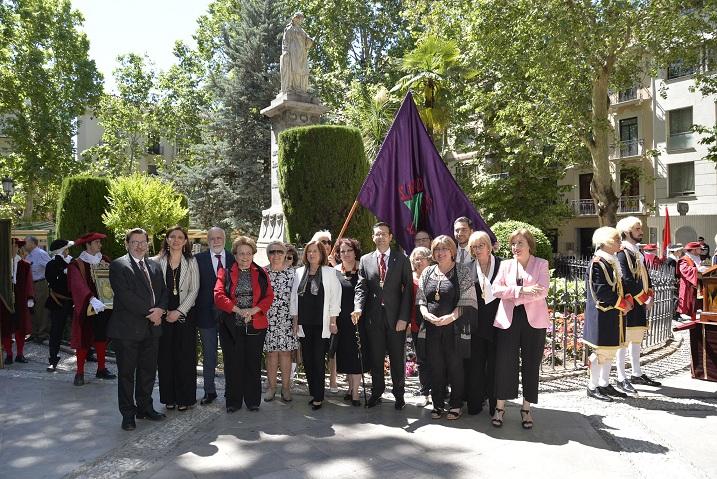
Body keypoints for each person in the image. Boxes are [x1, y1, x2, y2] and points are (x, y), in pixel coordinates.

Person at [108, 228, 168, 431]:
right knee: (126, 375)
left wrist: (160, 309)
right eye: (135, 242)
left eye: (143, 242)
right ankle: (128, 414)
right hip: (127, 331)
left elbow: (163, 292)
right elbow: (125, 296)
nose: (140, 245)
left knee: (148, 372)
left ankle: (145, 408)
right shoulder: (119, 265)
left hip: (152, 330)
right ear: (127, 244)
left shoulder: (154, 265)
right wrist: (152, 313)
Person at [491, 228, 549, 430]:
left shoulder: (541, 264)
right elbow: (496, 290)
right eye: (513, 243)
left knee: (531, 365)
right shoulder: (506, 265)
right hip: (509, 320)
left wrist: (513, 297)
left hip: (534, 321)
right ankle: (500, 407)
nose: (516, 247)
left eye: (520, 243)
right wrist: (521, 290)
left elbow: (542, 291)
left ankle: (526, 409)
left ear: (529, 245)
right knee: (504, 363)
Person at [416, 235, 478, 420]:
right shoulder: (427, 272)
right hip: (432, 329)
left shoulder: (462, 272)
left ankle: (456, 405)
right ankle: (437, 404)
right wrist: (425, 314)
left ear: (452, 251)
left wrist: (450, 318)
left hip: (454, 329)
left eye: (445, 249)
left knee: (455, 367)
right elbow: (421, 298)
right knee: (436, 367)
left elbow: (469, 301)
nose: (440, 252)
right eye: (437, 249)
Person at [353, 222, 413, 410]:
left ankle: (399, 395)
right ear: (373, 237)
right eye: (377, 234)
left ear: (390, 237)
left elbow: (408, 291)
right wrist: (358, 307)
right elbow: (361, 287)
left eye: (383, 234)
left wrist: (404, 318)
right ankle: (377, 393)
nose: (380, 237)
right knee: (376, 359)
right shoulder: (365, 260)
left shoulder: (401, 259)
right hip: (374, 319)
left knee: (397, 359)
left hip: (396, 319)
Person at [214, 236, 274, 413]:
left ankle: (253, 401)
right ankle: (233, 402)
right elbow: (218, 296)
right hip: (231, 325)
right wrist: (239, 310)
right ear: (235, 254)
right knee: (233, 364)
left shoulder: (262, 273)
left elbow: (269, 297)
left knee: (252, 363)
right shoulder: (224, 273)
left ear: (253, 254)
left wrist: (254, 310)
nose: (245, 257)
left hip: (255, 324)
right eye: (241, 254)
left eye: (248, 253)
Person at [290, 240, 341, 410]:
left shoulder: (329, 273)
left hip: (322, 324)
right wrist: (295, 322)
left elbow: (335, 298)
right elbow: (294, 299)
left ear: (321, 254)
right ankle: (313, 392)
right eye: (309, 251)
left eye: (315, 251)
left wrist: (333, 321)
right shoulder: (298, 272)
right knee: (308, 360)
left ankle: (319, 396)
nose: (312, 254)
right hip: (304, 323)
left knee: (318, 359)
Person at [584, 227, 633, 402]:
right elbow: (601, 291)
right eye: (617, 240)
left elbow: (620, 284)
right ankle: (592, 386)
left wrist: (628, 298)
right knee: (600, 353)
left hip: (613, 314)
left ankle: (604, 384)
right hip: (603, 314)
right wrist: (622, 304)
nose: (620, 243)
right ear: (606, 242)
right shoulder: (598, 262)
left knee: (610, 351)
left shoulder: (611, 260)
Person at [153, 226, 200, 411]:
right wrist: (164, 312)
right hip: (163, 315)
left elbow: (194, 290)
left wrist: (179, 311)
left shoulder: (191, 261)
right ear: (166, 239)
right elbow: (154, 290)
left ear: (185, 241)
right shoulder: (157, 262)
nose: (176, 240)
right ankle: (169, 398)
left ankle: (185, 398)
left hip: (185, 316)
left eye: (180, 237)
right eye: (172, 236)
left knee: (185, 357)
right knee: (165, 358)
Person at [615, 217, 660, 391]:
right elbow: (626, 279)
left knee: (636, 339)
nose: (641, 231)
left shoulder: (636, 251)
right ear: (627, 232)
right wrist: (643, 298)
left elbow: (645, 277)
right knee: (624, 341)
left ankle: (636, 373)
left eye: (640, 228)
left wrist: (650, 295)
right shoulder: (622, 252)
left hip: (639, 301)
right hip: (629, 303)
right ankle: (621, 377)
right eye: (637, 228)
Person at [68, 232, 116, 386]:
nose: (100, 245)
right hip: (87, 307)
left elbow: (114, 280)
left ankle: (101, 368)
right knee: (83, 338)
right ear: (88, 245)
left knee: (101, 336)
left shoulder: (106, 260)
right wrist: (90, 298)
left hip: (106, 306)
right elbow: (77, 285)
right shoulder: (77, 264)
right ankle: (79, 372)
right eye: (96, 243)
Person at [194, 227, 235, 405]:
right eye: (212, 239)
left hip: (229, 315)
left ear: (224, 240)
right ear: (207, 241)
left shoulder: (234, 259)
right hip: (205, 314)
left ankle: (230, 391)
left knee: (230, 354)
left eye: (219, 238)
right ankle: (209, 391)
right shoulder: (198, 260)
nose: (216, 241)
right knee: (209, 355)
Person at [466, 230, 502, 416]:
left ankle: (496, 405)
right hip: (476, 325)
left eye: (481, 245)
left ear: (489, 247)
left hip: (498, 323)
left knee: (495, 365)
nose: (478, 249)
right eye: (474, 247)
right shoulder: (467, 267)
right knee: (476, 365)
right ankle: (475, 402)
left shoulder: (503, 265)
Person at [334, 238, 369, 406]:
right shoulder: (334, 271)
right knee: (346, 356)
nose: (346, 254)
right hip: (341, 321)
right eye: (342, 251)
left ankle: (355, 393)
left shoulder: (363, 269)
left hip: (359, 320)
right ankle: (349, 388)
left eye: (349, 250)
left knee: (356, 357)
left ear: (355, 251)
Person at [263, 240, 298, 403]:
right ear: (268, 255)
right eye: (272, 252)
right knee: (270, 355)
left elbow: (298, 299)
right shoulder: (262, 273)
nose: (276, 255)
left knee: (285, 354)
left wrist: (296, 320)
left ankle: (285, 388)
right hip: (267, 319)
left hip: (287, 319)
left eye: (279, 252)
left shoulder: (294, 273)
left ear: (285, 254)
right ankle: (271, 387)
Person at [311, 230, 338, 392]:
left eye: (328, 242)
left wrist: (335, 266)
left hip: (334, 314)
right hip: (315, 317)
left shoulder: (335, 264)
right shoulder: (310, 264)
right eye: (322, 241)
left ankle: (333, 379)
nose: (326, 245)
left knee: (333, 349)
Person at [1, 239, 33, 364]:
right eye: (11, 246)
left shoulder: (24, 265)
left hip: (21, 299)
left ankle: (20, 354)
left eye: (15, 246)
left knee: (21, 328)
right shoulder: (3, 266)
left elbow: (29, 283)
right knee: (5, 327)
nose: (13, 249)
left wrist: (30, 298)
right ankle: (8, 353)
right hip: (5, 300)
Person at [45, 239, 74, 372]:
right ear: (61, 251)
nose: (68, 252)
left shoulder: (73, 263)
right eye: (66, 249)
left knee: (82, 327)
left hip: (75, 301)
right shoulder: (52, 264)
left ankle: (87, 353)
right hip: (59, 301)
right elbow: (52, 281)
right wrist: (64, 271)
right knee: (56, 331)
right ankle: (53, 359)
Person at [409, 246, 432, 407]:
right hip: (416, 324)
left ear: (429, 260)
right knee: (422, 359)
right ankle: (425, 392)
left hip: (434, 323)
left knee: (437, 359)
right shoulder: (409, 278)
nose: (418, 261)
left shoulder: (435, 276)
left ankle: (440, 390)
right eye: (416, 258)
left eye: (422, 258)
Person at [24, 236, 51, 343]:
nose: (24, 244)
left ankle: (42, 333)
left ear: (33, 243)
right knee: (32, 308)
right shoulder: (28, 255)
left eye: (26, 242)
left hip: (40, 283)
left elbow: (50, 267)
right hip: (31, 284)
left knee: (41, 308)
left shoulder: (41, 253)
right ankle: (34, 332)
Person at [279, 12, 314, 93]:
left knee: (303, 71)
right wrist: (285, 51)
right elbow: (285, 41)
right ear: (296, 18)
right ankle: (295, 87)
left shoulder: (302, 30)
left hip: (302, 53)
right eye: (300, 19)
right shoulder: (290, 29)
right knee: (295, 69)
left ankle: (301, 89)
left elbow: (307, 41)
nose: (301, 21)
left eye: (302, 19)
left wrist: (309, 40)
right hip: (293, 52)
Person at [677, 241, 708, 321]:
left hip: (699, 286)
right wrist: (698, 270)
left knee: (698, 308)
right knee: (691, 308)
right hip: (689, 287)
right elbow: (685, 271)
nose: (701, 251)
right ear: (694, 250)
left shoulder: (697, 258)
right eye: (699, 249)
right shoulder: (684, 259)